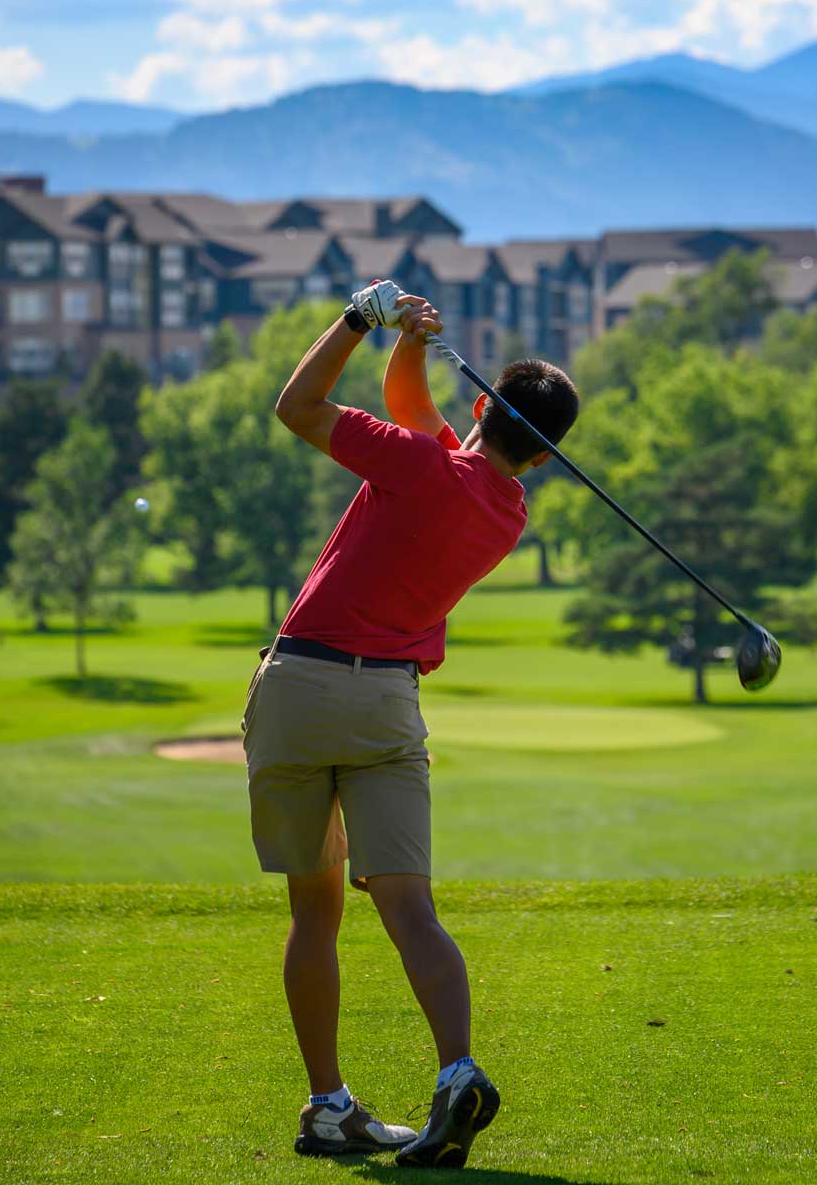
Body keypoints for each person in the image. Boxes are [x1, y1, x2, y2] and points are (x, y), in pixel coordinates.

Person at [241, 280, 579, 1167]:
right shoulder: (505, 512)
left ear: (481, 404)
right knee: (411, 911)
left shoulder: (419, 464)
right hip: (389, 705)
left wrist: (363, 318)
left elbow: (296, 406)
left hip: (302, 686)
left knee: (315, 910)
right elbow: (410, 412)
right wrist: (413, 345)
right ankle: (456, 1070)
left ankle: (327, 1106)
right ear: (542, 459)